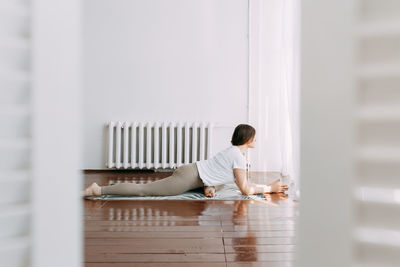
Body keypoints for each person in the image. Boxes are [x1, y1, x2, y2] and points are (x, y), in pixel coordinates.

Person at [83, 124, 288, 197]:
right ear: (249, 139)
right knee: (144, 190)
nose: (256, 140)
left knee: (220, 187)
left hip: (191, 171)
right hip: (188, 177)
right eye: (254, 137)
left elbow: (216, 173)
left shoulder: (231, 151)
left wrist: (210, 187)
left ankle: (206, 189)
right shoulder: (238, 158)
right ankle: (98, 190)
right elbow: (245, 189)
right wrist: (270, 189)